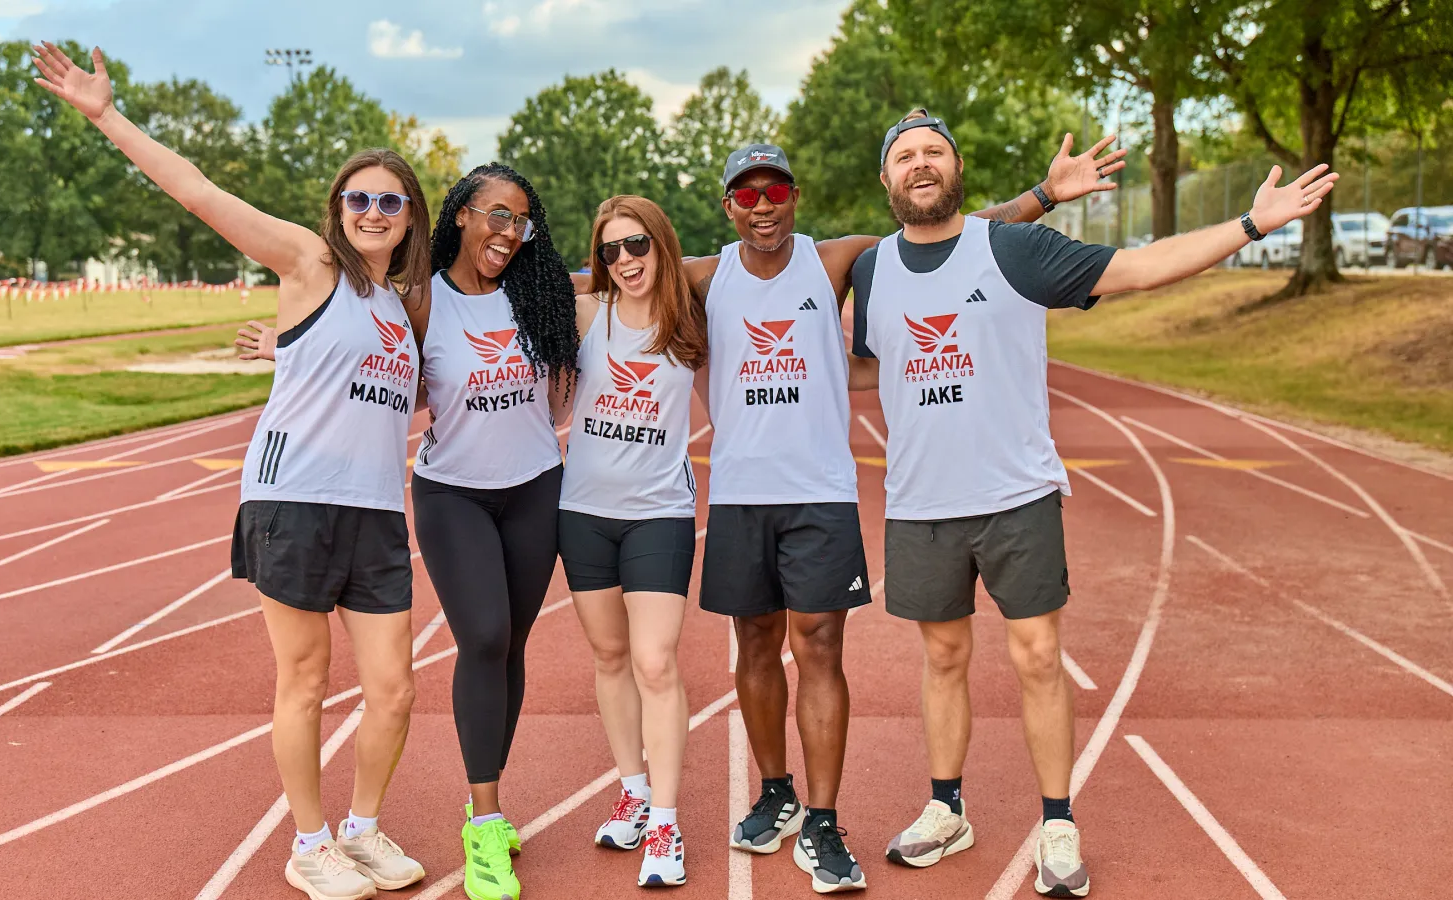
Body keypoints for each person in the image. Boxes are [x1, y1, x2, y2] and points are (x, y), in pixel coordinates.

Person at [849, 109, 1337, 898]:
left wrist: (1252, 222)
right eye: (905, 155)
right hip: (919, 505)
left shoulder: (1012, 248)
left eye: (934, 150)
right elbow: (865, 360)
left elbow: (1142, 268)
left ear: (958, 166)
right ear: (887, 179)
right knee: (942, 659)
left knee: (1038, 659)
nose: (920, 163)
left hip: (1016, 498)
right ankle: (947, 808)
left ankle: (1057, 820)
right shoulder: (870, 272)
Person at [34, 42, 429, 900]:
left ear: (408, 218)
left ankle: (362, 831)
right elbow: (198, 191)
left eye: (387, 201)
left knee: (394, 690)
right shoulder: (309, 261)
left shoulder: (404, 306)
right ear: (338, 209)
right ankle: (310, 842)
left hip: (373, 512)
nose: (371, 211)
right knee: (308, 680)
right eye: (357, 197)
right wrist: (105, 116)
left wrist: (281, 354)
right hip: (291, 502)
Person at [681, 135, 1123, 894]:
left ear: (796, 197)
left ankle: (824, 818)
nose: (763, 206)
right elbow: (611, 274)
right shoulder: (704, 275)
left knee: (820, 647)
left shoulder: (838, 260)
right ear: (727, 205)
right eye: (747, 195)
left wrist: (1043, 198)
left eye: (776, 191)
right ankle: (777, 793)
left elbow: (946, 234)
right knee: (754, 645)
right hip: (741, 494)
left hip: (820, 488)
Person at [411, 163, 581, 900]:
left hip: (536, 487)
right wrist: (288, 351)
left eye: (522, 222)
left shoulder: (535, 294)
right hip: (453, 494)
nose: (509, 234)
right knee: (482, 637)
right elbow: (363, 352)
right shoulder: (420, 301)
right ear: (461, 215)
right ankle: (485, 825)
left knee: (511, 643)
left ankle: (487, 794)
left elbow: (662, 271)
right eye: (497, 216)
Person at [558, 196, 706, 888]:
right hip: (583, 511)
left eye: (637, 245)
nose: (625, 261)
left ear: (661, 245)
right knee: (610, 657)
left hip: (659, 514)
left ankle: (668, 824)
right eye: (610, 250)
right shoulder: (590, 313)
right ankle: (634, 792)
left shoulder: (691, 315)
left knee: (654, 661)